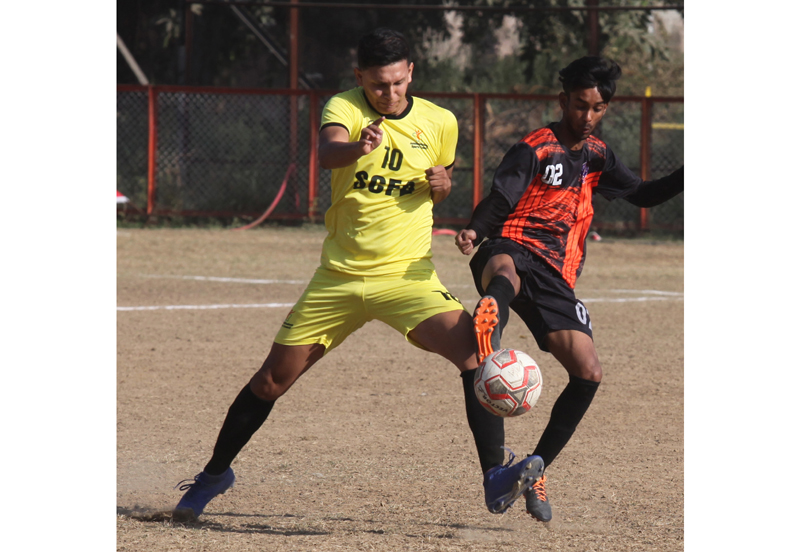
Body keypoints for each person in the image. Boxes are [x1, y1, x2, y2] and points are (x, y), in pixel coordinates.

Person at [173, 28, 544, 521]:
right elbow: (328, 154)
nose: (388, 94)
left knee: (478, 354)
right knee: (269, 381)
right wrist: (358, 148)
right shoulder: (345, 108)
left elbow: (437, 187)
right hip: (340, 279)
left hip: (407, 277)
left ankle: (496, 476)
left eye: (396, 83)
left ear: (410, 72)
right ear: (359, 79)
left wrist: (444, 183)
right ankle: (216, 473)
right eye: (377, 86)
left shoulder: (440, 121)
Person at [456, 56, 684, 523]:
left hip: (556, 273)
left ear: (605, 109)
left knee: (589, 372)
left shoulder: (598, 155)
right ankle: (490, 318)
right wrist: (476, 231)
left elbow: (642, 193)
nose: (587, 116)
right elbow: (501, 198)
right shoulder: (534, 148)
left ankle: (533, 471)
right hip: (509, 241)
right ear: (563, 102)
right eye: (579, 106)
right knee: (505, 268)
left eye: (597, 108)